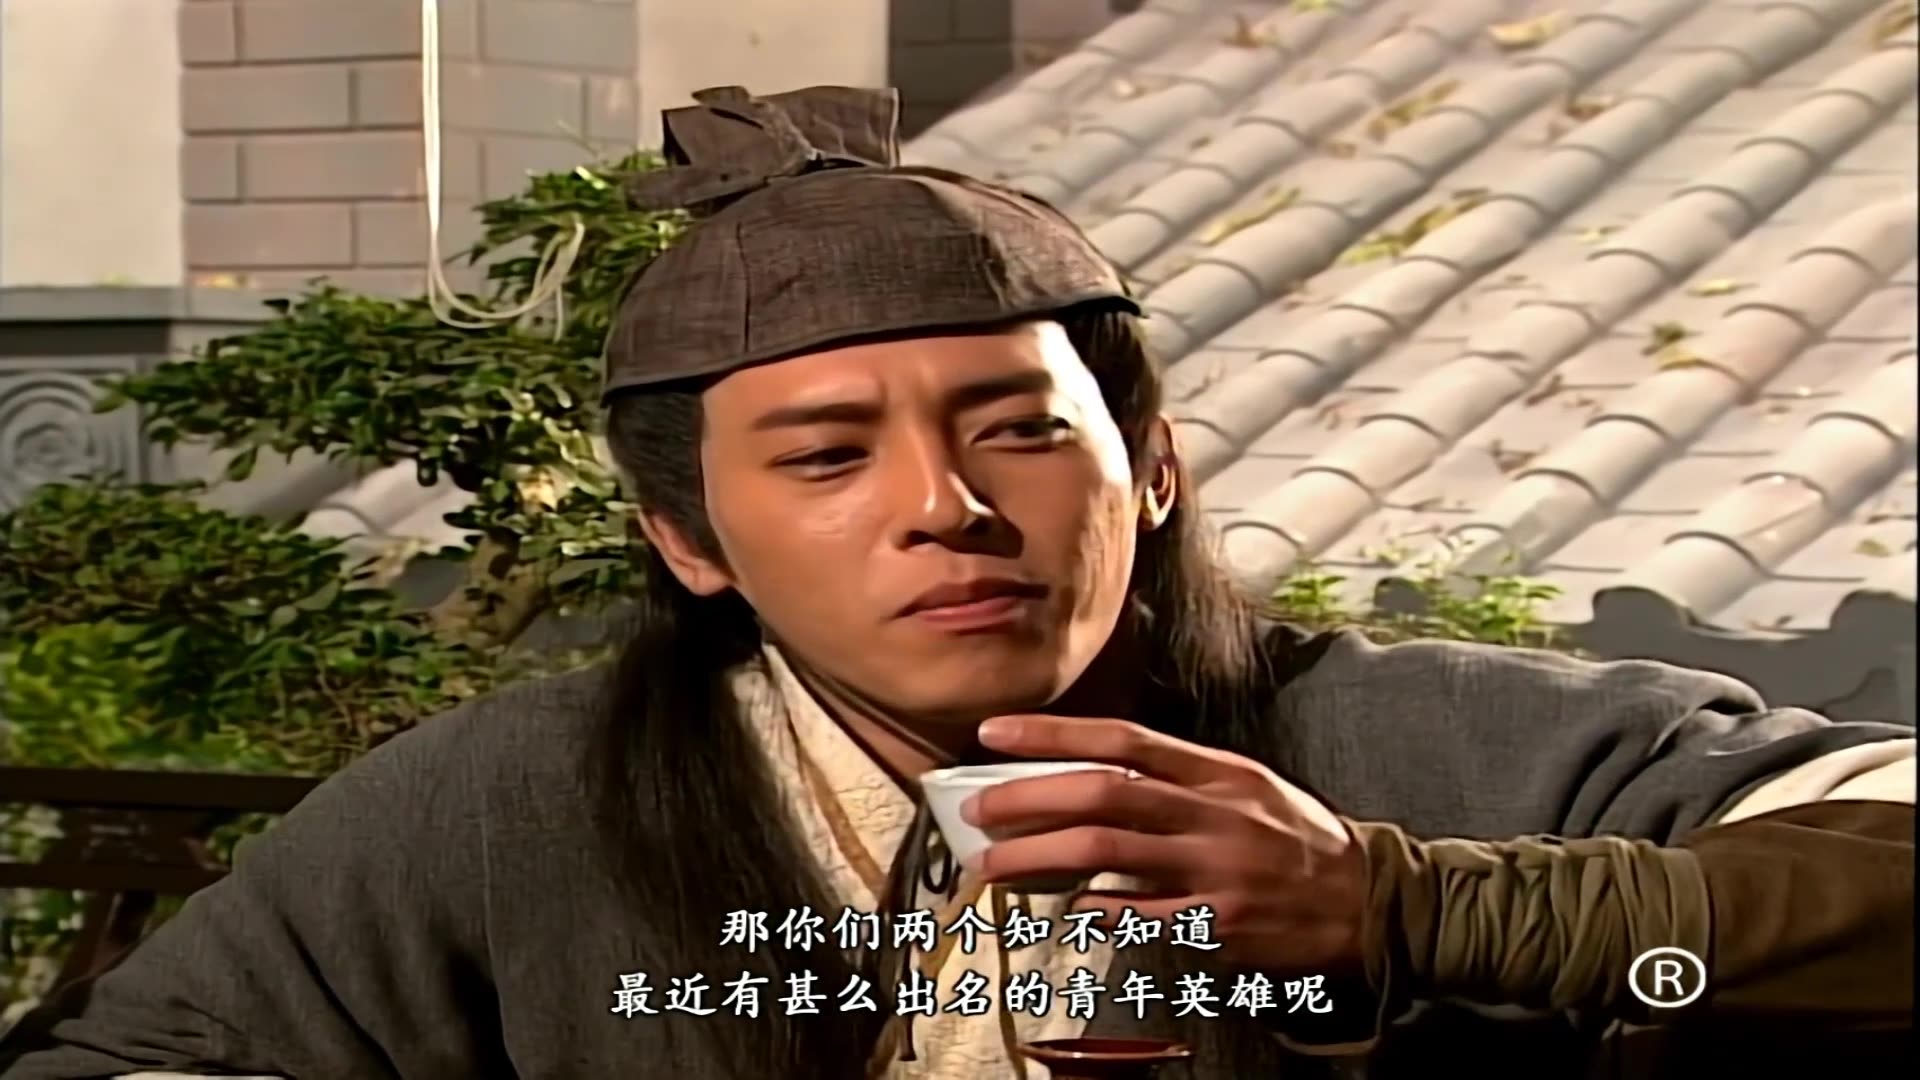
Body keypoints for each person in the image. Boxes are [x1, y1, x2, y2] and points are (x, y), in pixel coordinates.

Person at [1, 85, 1911, 1080]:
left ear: (1151, 466)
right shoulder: (507, 807)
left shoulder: (1442, 744)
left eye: (1017, 429)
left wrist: (1410, 908)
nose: (947, 508)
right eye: (826, 457)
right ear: (687, 540)